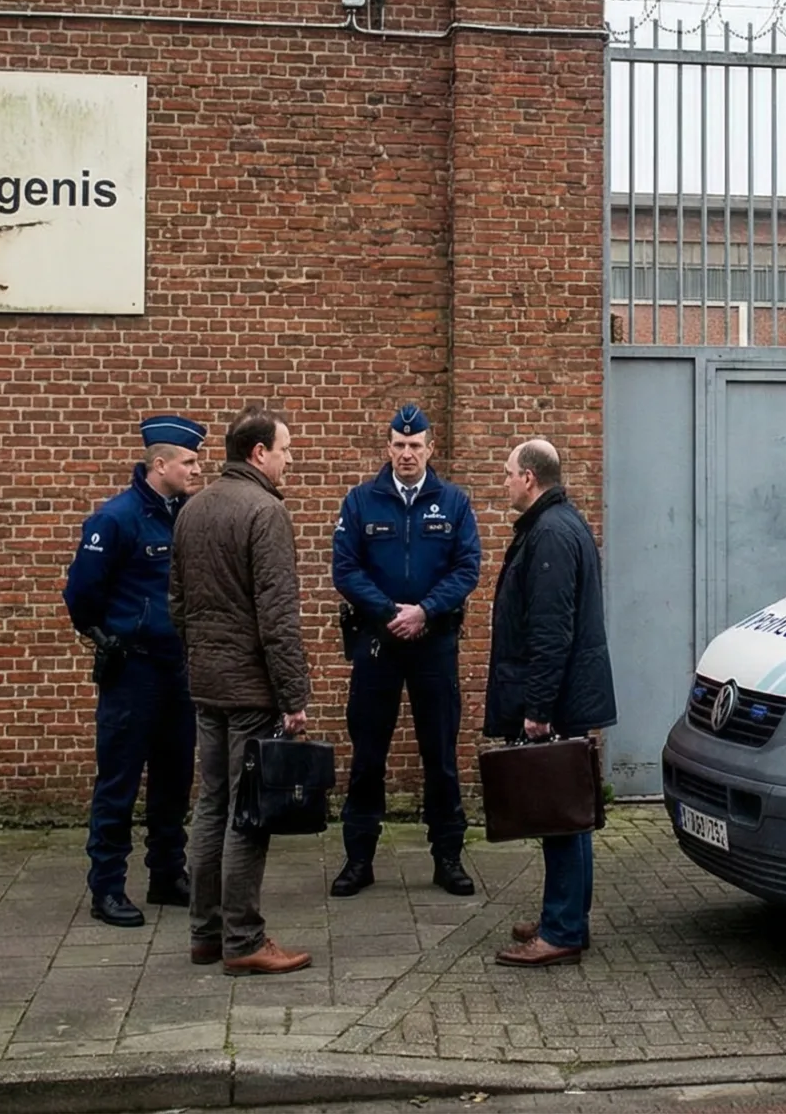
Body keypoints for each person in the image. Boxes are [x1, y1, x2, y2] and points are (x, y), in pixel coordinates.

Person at [170, 404, 314, 975]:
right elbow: (278, 617)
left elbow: (178, 604)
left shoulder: (192, 509)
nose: (289, 460)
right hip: (252, 689)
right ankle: (243, 939)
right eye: (284, 450)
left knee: (211, 804)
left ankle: (205, 935)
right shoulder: (265, 512)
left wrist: (204, 658)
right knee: (247, 812)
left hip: (207, 684)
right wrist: (293, 696)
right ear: (258, 453)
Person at [330, 403, 484, 898]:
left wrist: (425, 611)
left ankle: (448, 858)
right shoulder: (361, 502)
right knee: (367, 755)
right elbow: (345, 569)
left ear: (430, 448)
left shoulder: (454, 503)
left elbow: (467, 567)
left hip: (434, 643)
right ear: (388, 447)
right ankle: (359, 859)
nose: (406, 454)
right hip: (378, 642)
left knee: (440, 754)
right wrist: (388, 611)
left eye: (415, 445)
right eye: (399, 444)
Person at [62, 414, 206, 928]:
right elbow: (81, 593)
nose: (197, 469)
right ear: (159, 464)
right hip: (133, 668)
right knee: (120, 779)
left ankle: (167, 872)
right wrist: (109, 635)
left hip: (177, 667)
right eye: (189, 461)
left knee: (174, 776)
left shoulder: (186, 515)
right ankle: (107, 887)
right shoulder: (116, 519)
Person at [485, 438, 616, 967]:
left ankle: (561, 931)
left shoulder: (551, 535)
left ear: (530, 478)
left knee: (560, 814)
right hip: (565, 695)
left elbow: (551, 630)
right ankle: (565, 916)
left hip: (556, 701)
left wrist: (537, 709)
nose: (504, 481)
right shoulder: (557, 524)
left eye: (508, 473)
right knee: (568, 811)